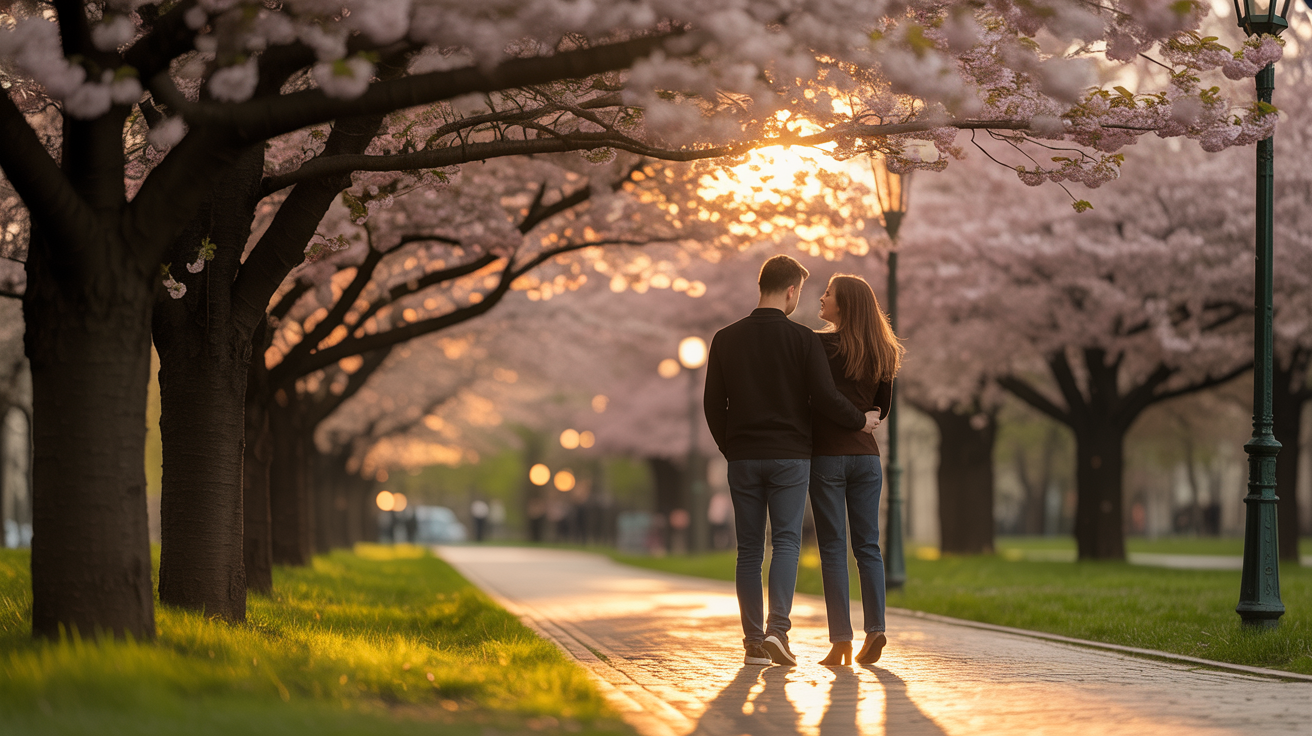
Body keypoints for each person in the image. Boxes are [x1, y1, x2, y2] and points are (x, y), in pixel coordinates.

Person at [704, 255, 881, 667]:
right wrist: (860, 420)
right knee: (785, 541)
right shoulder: (803, 339)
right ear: (789, 290)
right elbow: (822, 396)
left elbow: (714, 404)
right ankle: (777, 631)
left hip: (744, 456)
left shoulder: (725, 338)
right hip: (791, 456)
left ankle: (753, 645)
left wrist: (731, 448)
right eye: (799, 291)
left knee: (748, 550)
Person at [810, 274, 903, 666]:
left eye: (828, 293)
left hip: (828, 455)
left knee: (833, 547)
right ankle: (877, 629)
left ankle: (841, 641)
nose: (821, 297)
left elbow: (818, 398)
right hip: (867, 458)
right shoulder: (884, 349)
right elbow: (882, 409)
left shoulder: (819, 345)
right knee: (868, 547)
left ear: (843, 305)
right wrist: (863, 420)